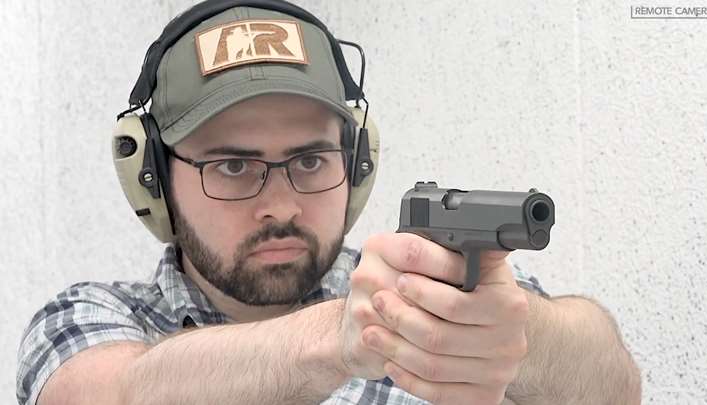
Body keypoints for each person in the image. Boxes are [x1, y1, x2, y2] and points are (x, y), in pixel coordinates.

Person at [16, 1, 641, 404]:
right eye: (234, 166)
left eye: (311, 160)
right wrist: (342, 336)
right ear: (153, 180)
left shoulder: (424, 291)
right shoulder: (92, 319)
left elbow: (615, 385)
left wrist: (519, 331)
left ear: (358, 166)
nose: (280, 203)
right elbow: (113, 393)